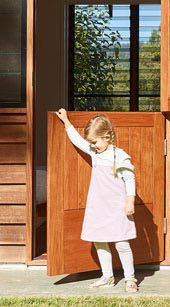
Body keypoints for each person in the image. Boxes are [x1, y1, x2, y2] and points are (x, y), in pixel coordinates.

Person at [55, 109, 139, 295]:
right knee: (100, 241)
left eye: (95, 142)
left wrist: (130, 202)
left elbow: (130, 179)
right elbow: (78, 141)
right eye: (91, 143)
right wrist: (66, 121)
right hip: (98, 207)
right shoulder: (95, 153)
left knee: (121, 243)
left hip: (117, 207)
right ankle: (108, 276)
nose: (93, 146)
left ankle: (130, 278)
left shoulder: (119, 156)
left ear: (107, 136)